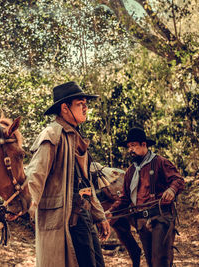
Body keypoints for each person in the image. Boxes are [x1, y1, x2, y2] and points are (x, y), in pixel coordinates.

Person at [26, 81, 111, 267]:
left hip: (83, 214)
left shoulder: (75, 137)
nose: (85, 108)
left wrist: (100, 216)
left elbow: (86, 184)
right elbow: (35, 175)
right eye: (80, 104)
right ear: (65, 108)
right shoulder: (51, 135)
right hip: (65, 218)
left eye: (85, 104)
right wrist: (27, 204)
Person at [107, 127, 185, 267]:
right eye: (129, 147)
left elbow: (178, 180)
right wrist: (110, 211)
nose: (130, 150)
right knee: (150, 262)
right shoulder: (130, 172)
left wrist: (172, 190)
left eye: (134, 146)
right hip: (142, 222)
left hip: (161, 218)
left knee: (160, 261)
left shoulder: (160, 162)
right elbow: (124, 198)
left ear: (144, 145)